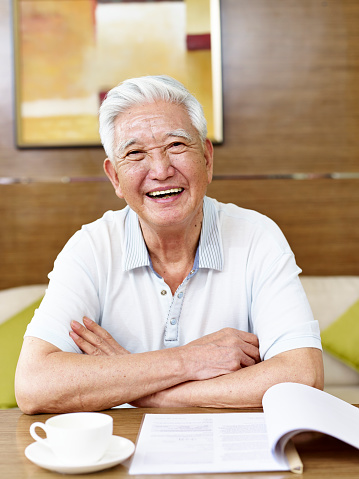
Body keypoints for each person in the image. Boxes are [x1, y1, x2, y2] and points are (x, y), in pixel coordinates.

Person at [15, 75, 323, 414]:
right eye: (135, 153)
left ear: (206, 159)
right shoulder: (90, 248)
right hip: (123, 453)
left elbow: (303, 376)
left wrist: (141, 390)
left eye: (176, 145)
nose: (160, 170)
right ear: (115, 177)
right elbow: (33, 385)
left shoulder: (257, 237)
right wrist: (188, 361)